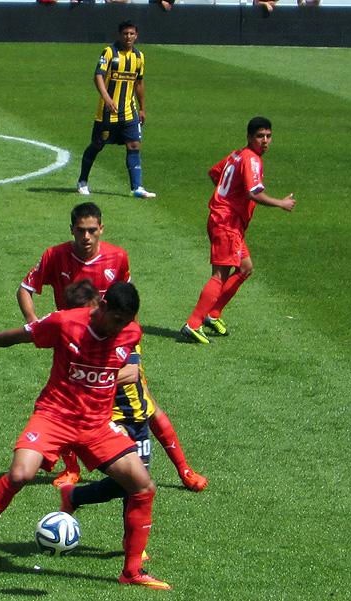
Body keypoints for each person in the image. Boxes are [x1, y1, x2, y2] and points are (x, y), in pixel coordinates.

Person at [0, 282, 171, 590]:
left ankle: (131, 571)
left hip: (97, 425)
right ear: (103, 306)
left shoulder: (131, 332)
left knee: (143, 486)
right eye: (117, 320)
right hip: (54, 416)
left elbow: (127, 370)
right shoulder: (65, 322)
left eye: (126, 322)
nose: (120, 328)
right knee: (20, 474)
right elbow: (18, 336)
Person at [18, 203, 205, 492]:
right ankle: (71, 469)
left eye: (92, 230)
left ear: (101, 229)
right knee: (67, 408)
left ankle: (184, 469)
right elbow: (25, 289)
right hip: (77, 348)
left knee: (144, 404)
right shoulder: (55, 256)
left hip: (118, 345)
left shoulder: (117, 257)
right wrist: (34, 324)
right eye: (81, 230)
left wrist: (131, 347)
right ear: (72, 230)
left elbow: (128, 301)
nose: (87, 236)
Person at [60, 280, 208, 507]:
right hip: (106, 414)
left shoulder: (123, 331)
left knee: (149, 410)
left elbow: (130, 372)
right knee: (134, 480)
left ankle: (184, 469)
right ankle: (72, 475)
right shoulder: (76, 337)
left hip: (129, 401)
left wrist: (94, 377)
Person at [181, 116, 297, 344]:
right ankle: (192, 324)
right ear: (249, 137)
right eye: (260, 136)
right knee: (220, 275)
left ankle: (213, 314)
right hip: (227, 223)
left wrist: (227, 195)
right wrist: (280, 203)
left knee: (245, 268)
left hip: (224, 220)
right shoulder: (251, 159)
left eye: (268, 136)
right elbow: (253, 193)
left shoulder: (237, 155)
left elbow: (214, 173)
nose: (265, 140)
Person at [76, 21, 156, 199]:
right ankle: (82, 181)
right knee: (97, 145)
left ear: (136, 35)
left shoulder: (139, 57)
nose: (128, 37)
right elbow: (98, 76)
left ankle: (137, 187)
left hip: (129, 111)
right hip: (107, 112)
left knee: (134, 145)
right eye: (125, 33)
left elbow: (139, 83)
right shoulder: (109, 52)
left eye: (132, 34)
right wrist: (107, 98)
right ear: (120, 35)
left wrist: (142, 108)